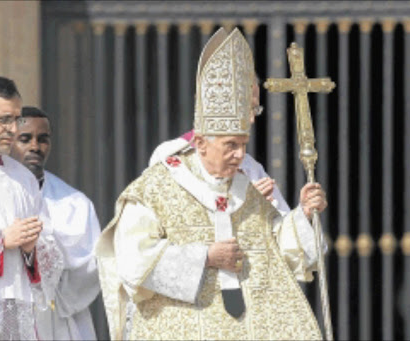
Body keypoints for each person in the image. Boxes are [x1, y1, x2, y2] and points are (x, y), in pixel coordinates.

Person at [96, 28, 328, 340]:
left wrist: (305, 215)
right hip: (182, 325)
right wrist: (204, 256)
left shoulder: (246, 181)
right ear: (201, 143)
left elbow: (279, 248)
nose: (240, 155)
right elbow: (133, 258)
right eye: (231, 145)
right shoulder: (158, 184)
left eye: (243, 144)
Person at [0, 75, 63, 340]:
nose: (13, 129)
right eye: (3, 119)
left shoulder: (24, 177)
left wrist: (32, 250)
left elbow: (49, 245)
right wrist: (0, 240)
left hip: (16, 306)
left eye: (16, 119)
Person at [9, 106, 101, 340]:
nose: (35, 147)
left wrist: (51, 294)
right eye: (25, 138)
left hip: (59, 319)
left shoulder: (76, 203)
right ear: (9, 141)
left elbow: (92, 266)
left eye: (43, 139)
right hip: (7, 313)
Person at [149, 75, 290, 215]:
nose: (252, 119)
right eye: (244, 108)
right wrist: (246, 206)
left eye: (255, 109)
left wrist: (302, 213)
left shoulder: (250, 167)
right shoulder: (170, 158)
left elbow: (282, 226)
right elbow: (173, 223)